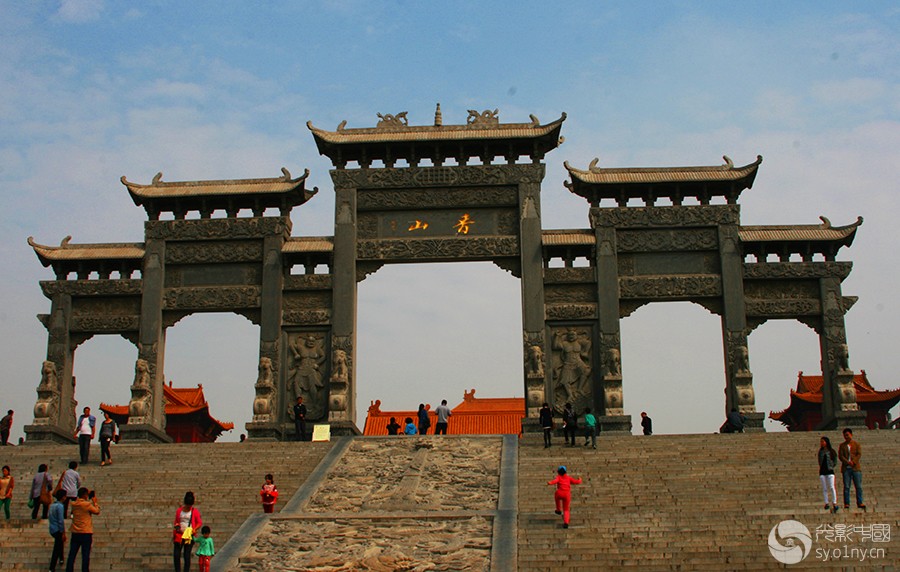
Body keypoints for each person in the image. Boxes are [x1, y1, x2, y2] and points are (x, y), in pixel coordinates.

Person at [65, 487, 100, 572]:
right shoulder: (87, 504)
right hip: (85, 532)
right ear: (85, 495)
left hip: (75, 531)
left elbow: (73, 514)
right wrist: (95, 502)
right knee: (85, 555)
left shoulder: (74, 504)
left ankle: (69, 570)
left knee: (72, 554)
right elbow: (97, 511)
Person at [173, 491, 203, 572]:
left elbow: (199, 522)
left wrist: (194, 529)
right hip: (179, 535)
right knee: (176, 555)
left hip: (189, 536)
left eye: (190, 505)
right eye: (187, 505)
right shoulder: (179, 511)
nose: (188, 507)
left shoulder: (194, 511)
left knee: (187, 555)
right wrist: (177, 526)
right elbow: (176, 521)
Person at [837, 427, 865, 511]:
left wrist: (853, 461)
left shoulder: (856, 444)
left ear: (851, 435)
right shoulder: (842, 445)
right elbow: (840, 456)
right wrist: (847, 462)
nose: (846, 436)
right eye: (845, 435)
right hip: (846, 468)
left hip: (855, 468)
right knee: (846, 486)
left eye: (847, 435)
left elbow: (859, 454)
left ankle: (860, 502)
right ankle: (847, 503)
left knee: (858, 486)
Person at [818, 436, 839, 514]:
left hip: (830, 471)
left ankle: (834, 502)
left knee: (832, 487)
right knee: (824, 488)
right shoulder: (820, 451)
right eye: (821, 442)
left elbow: (835, 460)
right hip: (822, 472)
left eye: (823, 441)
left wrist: (832, 466)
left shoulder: (831, 451)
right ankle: (826, 502)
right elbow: (819, 461)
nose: (821, 443)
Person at [48, 489, 67, 572]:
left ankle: (61, 558)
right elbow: (60, 520)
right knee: (57, 548)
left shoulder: (52, 505)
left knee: (60, 544)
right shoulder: (60, 506)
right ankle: (52, 567)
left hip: (52, 528)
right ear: (63, 497)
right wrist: (63, 532)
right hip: (57, 529)